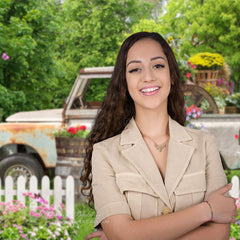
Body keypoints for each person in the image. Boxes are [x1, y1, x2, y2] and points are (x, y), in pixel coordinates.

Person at [81, 32, 237, 240]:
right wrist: (206, 210)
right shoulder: (105, 153)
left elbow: (219, 234)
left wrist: (132, 234)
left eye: (158, 65)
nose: (148, 77)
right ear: (124, 82)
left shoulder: (205, 145)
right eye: (135, 69)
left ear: (171, 75)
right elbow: (122, 235)